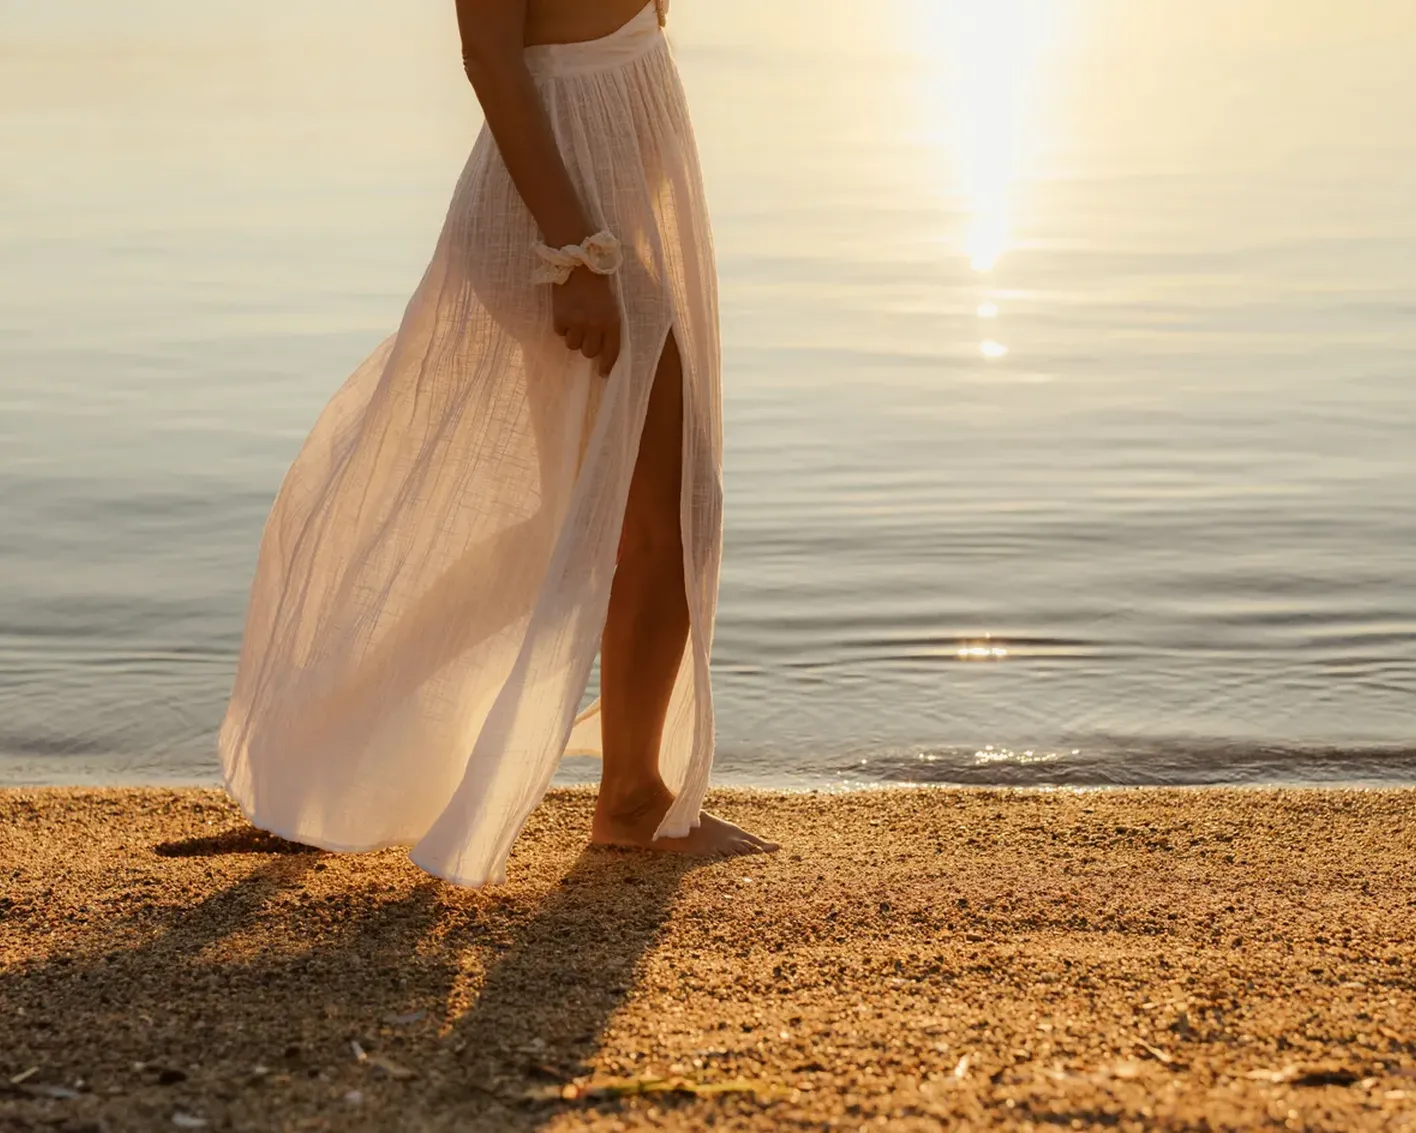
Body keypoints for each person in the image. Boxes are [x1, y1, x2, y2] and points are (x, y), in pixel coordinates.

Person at [218, 0, 778, 886]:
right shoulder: (570, 236)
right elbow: (490, 58)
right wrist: (576, 254)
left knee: (608, 513)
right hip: (558, 218)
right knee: (668, 505)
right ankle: (628, 799)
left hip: (609, 199)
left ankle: (346, 729)